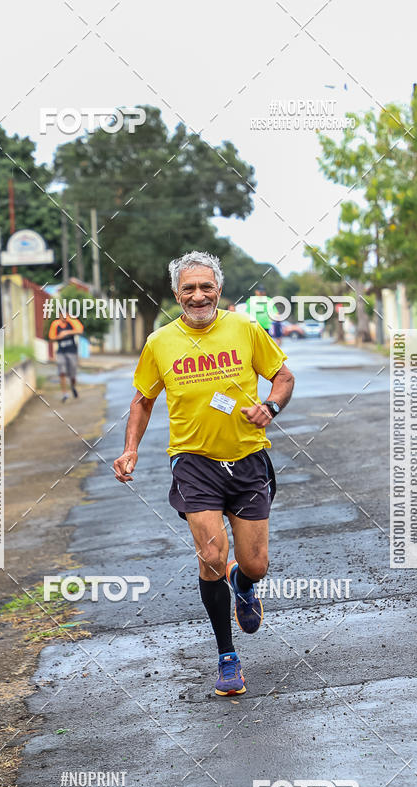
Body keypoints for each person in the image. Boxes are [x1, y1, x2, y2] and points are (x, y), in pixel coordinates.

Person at [113, 251, 294, 696]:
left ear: (219, 290)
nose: (198, 295)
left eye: (206, 287)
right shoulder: (159, 343)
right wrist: (130, 449)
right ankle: (227, 657)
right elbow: (143, 399)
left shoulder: (245, 329)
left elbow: (283, 377)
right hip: (193, 462)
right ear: (177, 294)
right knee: (211, 555)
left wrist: (269, 406)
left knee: (255, 563)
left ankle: (243, 583)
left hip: (248, 458)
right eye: (189, 288)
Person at [48, 311, 84, 401]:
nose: (63, 317)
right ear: (59, 315)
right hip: (61, 352)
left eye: (65, 315)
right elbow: (51, 337)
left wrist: (67, 332)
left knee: (72, 375)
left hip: (72, 352)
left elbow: (80, 330)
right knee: (62, 373)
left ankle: (72, 386)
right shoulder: (55, 324)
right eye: (61, 315)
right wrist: (59, 337)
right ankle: (65, 394)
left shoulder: (72, 321)